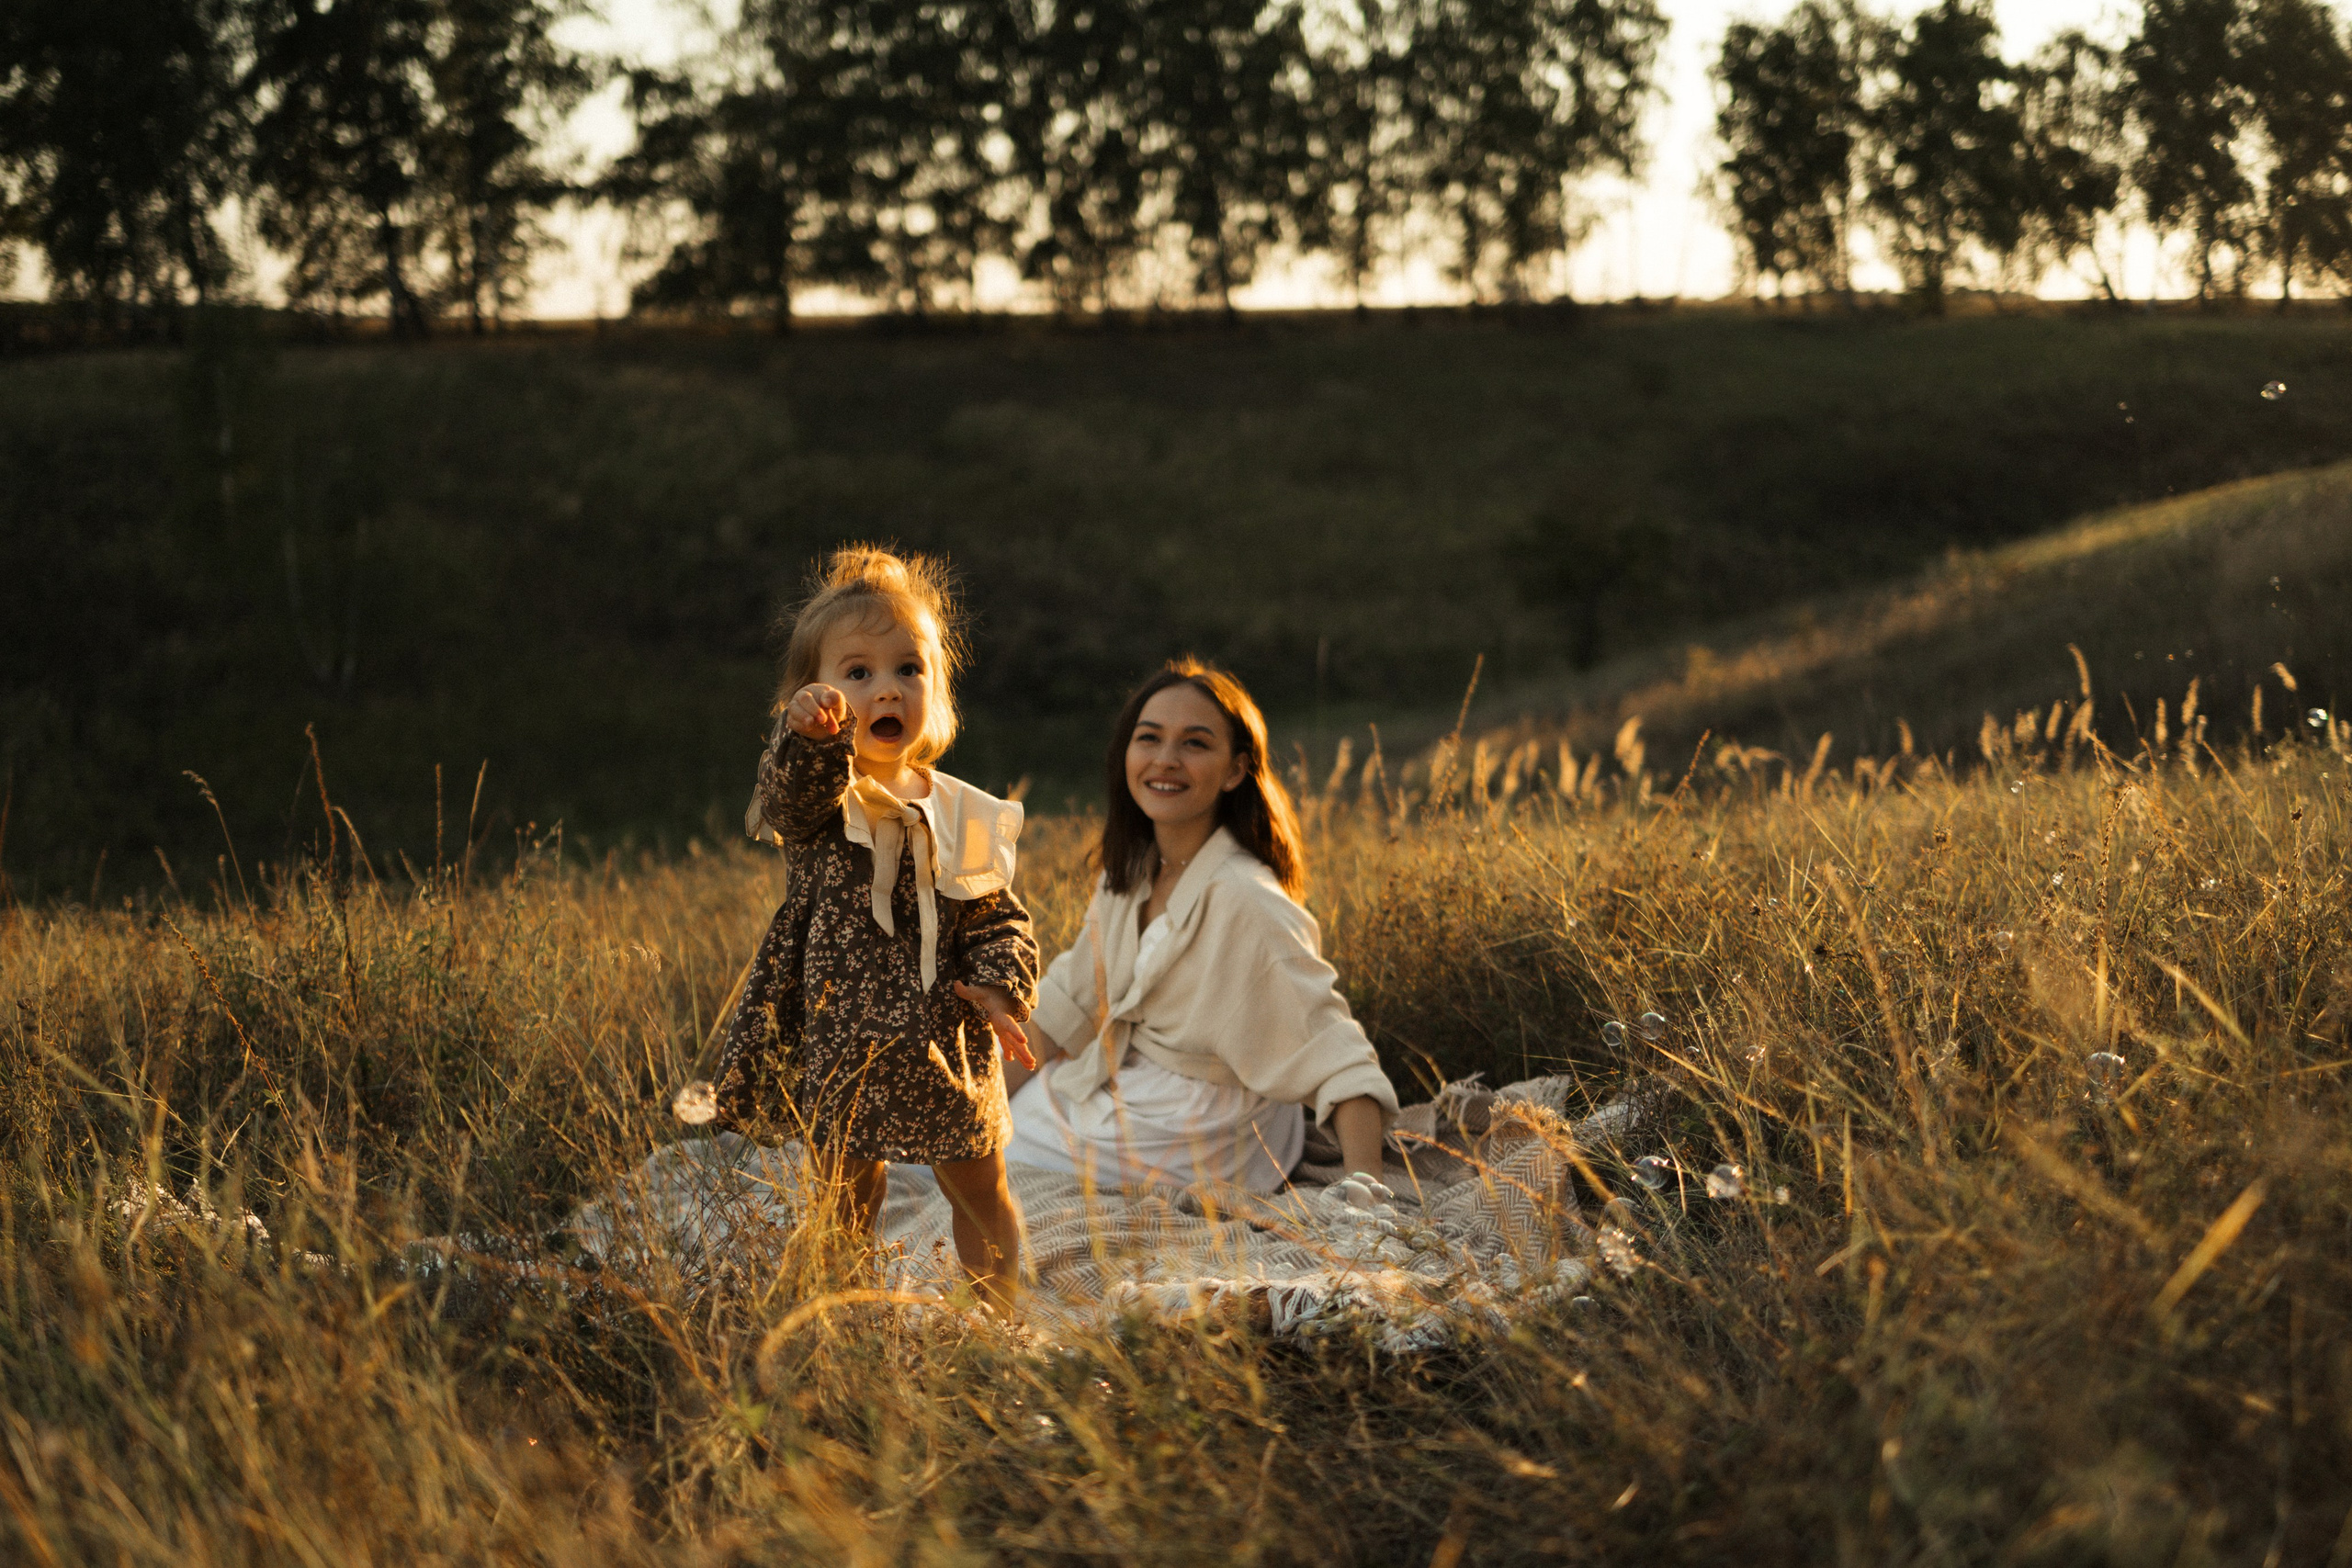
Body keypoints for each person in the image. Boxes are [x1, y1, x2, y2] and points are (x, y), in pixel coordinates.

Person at [712, 547, 1039, 1313]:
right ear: (809, 694)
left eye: (908, 669)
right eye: (856, 673)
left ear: (937, 688)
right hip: (844, 1034)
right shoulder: (826, 801)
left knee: (980, 1185)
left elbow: (996, 913)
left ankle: (999, 1318)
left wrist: (999, 986)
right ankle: (844, 1317)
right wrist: (809, 739)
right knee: (846, 1196)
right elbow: (788, 799)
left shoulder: (960, 809)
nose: (886, 687)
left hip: (946, 1029)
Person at [1002, 660, 1396, 1192]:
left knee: (980, 1160)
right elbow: (1067, 1005)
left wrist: (1366, 1197)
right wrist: (980, 1097)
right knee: (963, 1129)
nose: (1166, 760)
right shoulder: (1131, 872)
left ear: (1235, 771)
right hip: (1128, 1083)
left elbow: (1341, 1060)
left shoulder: (1248, 901)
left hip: (1203, 1126)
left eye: (1195, 743)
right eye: (1149, 738)